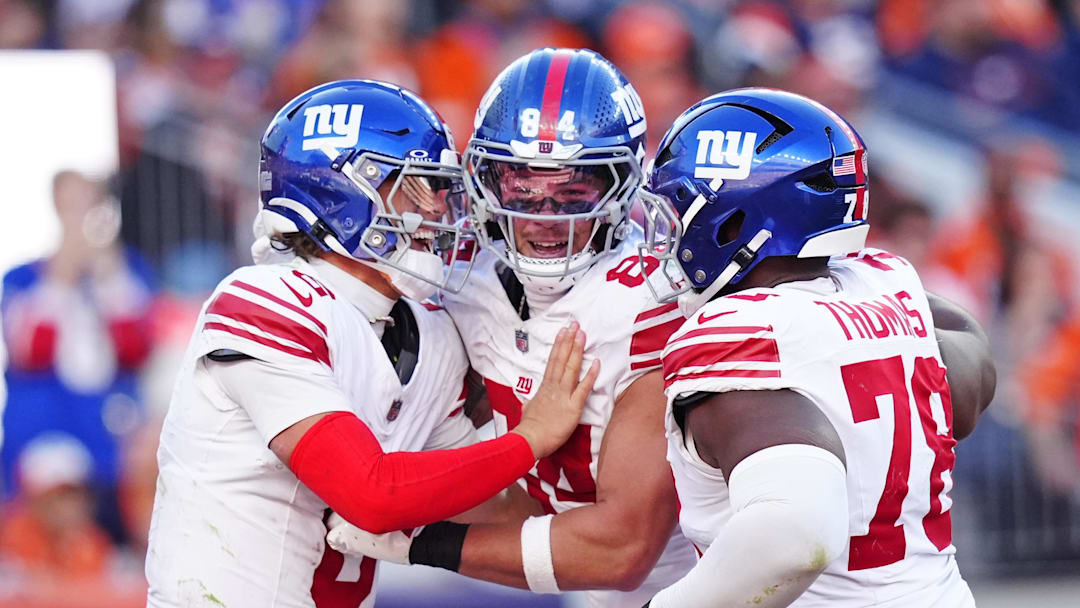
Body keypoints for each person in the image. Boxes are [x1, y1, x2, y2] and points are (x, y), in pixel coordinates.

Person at [143, 79, 597, 608]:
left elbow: (479, 495)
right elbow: (371, 494)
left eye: (441, 193)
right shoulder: (264, 300)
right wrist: (531, 437)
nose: (438, 215)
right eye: (416, 190)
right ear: (340, 193)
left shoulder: (425, 334)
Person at [328, 48, 697, 607]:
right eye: (522, 190)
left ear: (622, 186)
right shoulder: (458, 276)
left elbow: (623, 551)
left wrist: (420, 543)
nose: (546, 215)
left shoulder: (648, 307)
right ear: (484, 181)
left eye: (574, 192)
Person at [636, 89, 996, 607]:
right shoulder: (889, 285)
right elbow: (973, 374)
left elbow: (793, 536)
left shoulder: (734, 330)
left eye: (675, 210)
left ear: (734, 222)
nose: (665, 233)